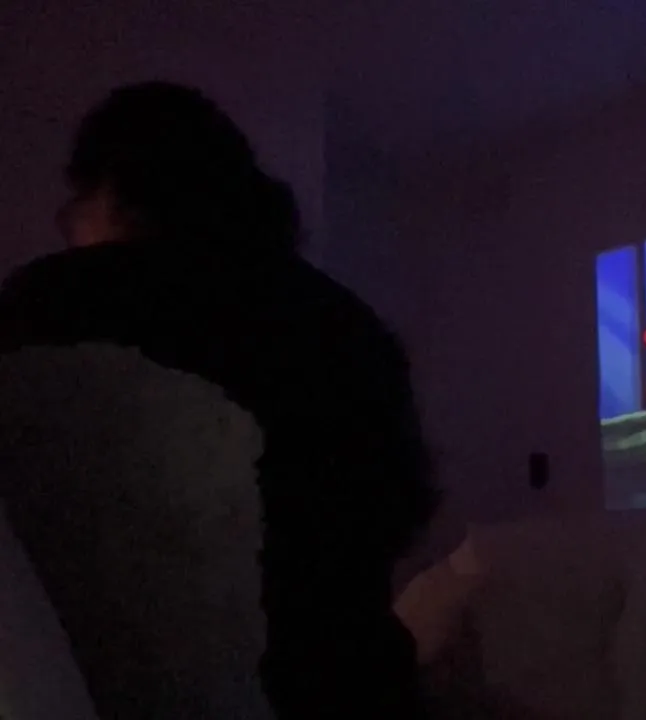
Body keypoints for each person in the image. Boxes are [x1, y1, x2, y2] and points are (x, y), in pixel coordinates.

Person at [0, 82, 439, 718]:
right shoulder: (348, 325)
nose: (68, 226)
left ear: (116, 189)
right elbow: (403, 507)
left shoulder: (51, 305)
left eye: (77, 203)